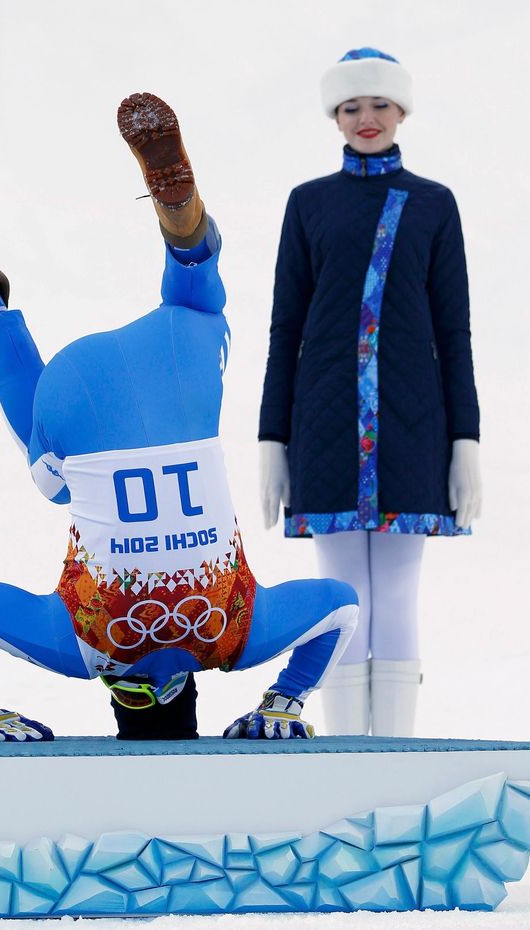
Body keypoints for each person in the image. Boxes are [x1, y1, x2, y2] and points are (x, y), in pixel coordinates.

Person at [0, 92, 359, 743]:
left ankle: (186, 243)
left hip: (174, 368)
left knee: (200, 317)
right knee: (56, 477)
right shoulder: (86, 653)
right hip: (74, 395)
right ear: (120, 698)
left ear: (191, 692)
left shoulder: (237, 636)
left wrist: (283, 702)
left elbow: (343, 604)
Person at [258, 49, 482, 738]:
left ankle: (396, 751)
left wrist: (465, 440)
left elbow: (455, 328)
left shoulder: (435, 205)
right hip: (323, 425)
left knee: (399, 591)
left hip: (414, 427)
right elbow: (284, 325)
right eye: (351, 107)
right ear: (335, 115)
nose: (366, 118)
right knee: (343, 596)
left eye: (379, 104)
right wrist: (273, 438)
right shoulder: (308, 204)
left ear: (403, 111)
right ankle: (349, 753)